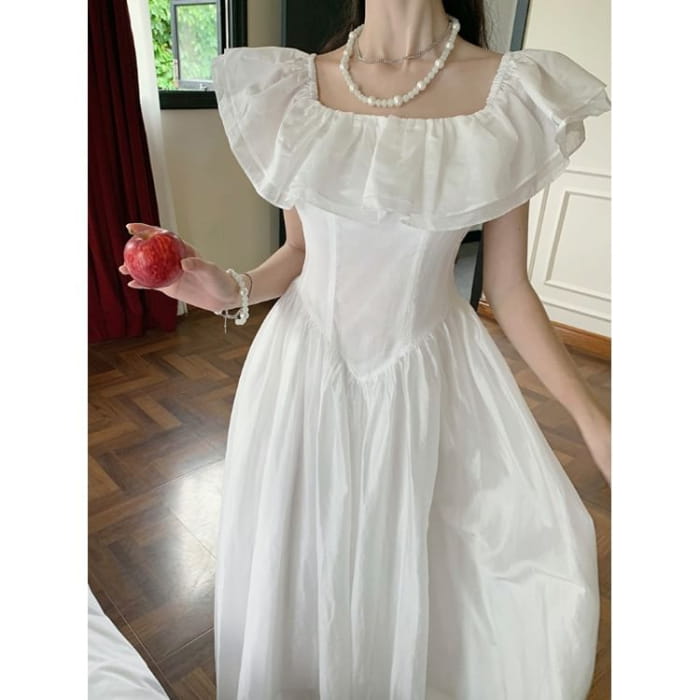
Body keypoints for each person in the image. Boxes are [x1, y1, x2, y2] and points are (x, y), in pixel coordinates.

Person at [120, 1, 611, 697]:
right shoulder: (293, 88)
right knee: (300, 576)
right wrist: (229, 287)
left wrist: (594, 422)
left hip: (431, 388)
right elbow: (298, 253)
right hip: (302, 378)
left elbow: (508, 287)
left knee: (450, 583)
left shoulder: (510, 97)